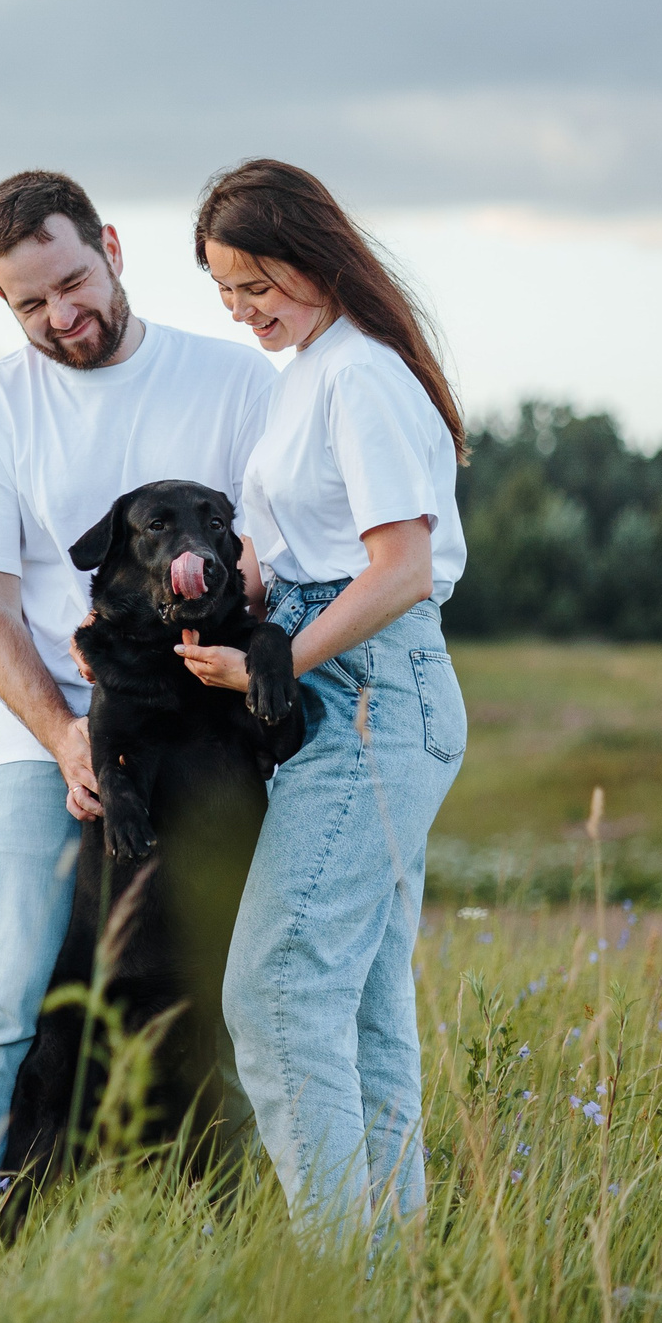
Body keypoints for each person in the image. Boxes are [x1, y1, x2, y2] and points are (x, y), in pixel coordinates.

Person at [0, 170, 276, 1276]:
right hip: (48, 754)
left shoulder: (233, 384)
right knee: (6, 996)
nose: (59, 316)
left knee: (240, 994)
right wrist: (67, 739)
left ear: (110, 246)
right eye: (29, 305)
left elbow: (282, 554)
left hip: (214, 757)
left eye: (71, 282)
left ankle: (251, 1257)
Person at [171, 158, 469, 1248]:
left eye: (256, 284)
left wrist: (273, 662)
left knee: (279, 995)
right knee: (361, 1013)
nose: (243, 311)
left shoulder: (359, 375)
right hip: (345, 700)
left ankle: (344, 1292)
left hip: (367, 703)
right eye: (223, 293)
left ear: (314, 253)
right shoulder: (312, 370)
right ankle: (390, 1292)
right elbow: (315, 542)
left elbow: (397, 568)